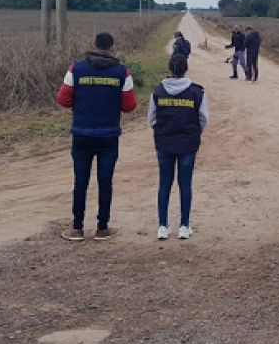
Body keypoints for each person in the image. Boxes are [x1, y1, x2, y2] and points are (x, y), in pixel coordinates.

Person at [56, 32, 137, 241]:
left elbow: (63, 100)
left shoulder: (76, 69)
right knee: (105, 182)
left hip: (81, 134)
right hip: (109, 135)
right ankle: (102, 228)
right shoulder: (122, 72)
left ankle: (77, 228)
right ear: (112, 47)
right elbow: (129, 106)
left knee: (80, 182)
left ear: (93, 45)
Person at [148, 53, 210, 241]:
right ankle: (184, 226)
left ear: (169, 68)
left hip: (164, 143)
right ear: (186, 68)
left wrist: (164, 130)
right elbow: (204, 119)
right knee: (185, 184)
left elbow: (151, 119)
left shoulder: (158, 91)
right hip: (188, 144)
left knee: (164, 184)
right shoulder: (196, 92)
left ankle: (162, 226)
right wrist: (194, 133)